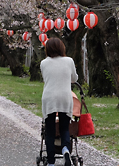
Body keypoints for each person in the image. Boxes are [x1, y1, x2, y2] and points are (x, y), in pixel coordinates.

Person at [40, 38, 78, 166]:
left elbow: (46, 78)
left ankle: (51, 161)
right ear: (62, 48)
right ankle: (65, 149)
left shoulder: (44, 63)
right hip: (64, 97)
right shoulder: (69, 61)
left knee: (49, 130)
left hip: (49, 97)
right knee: (64, 128)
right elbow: (74, 79)